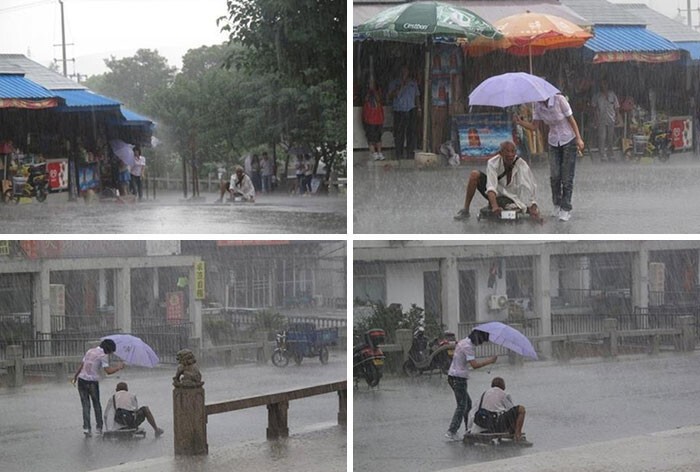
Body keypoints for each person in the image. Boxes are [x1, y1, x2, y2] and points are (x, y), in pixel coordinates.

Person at [514, 93, 584, 222]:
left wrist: (579, 139)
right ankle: (557, 204)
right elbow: (534, 126)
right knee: (555, 175)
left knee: (567, 177)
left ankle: (566, 208)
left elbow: (571, 120)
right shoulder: (538, 106)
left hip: (568, 139)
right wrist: (520, 122)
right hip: (553, 142)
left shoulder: (560, 100)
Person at [453, 141, 543, 223]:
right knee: (474, 175)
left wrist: (534, 205)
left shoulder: (521, 164)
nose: (510, 154)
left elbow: (532, 186)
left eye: (512, 151)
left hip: (511, 197)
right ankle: (465, 210)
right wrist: (494, 206)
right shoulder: (492, 163)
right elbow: (491, 187)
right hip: (495, 193)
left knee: (509, 205)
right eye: (507, 151)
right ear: (501, 153)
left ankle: (508, 206)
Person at [445, 329, 497, 441]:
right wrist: (490, 361)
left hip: (454, 376)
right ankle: (451, 431)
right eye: (481, 341)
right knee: (462, 405)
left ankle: (468, 429)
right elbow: (474, 365)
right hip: (458, 378)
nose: (480, 344)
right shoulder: (468, 346)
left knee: (467, 404)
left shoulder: (464, 342)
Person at [72, 339, 124, 436]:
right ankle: (99, 427)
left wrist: (75, 376)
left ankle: (86, 428)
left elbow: (82, 365)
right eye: (111, 351)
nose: (111, 353)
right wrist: (118, 367)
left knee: (85, 405)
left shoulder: (90, 351)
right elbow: (108, 371)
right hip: (92, 382)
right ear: (108, 349)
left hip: (81, 380)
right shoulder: (103, 355)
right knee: (96, 404)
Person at [468, 377, 530, 445]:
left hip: (484, 423)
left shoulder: (484, 394)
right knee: (521, 409)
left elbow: (472, 412)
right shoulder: (504, 394)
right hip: (496, 423)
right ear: (503, 386)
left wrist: (469, 429)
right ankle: (517, 436)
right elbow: (511, 411)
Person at [387, 64, 420, 160]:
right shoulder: (394, 83)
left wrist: (419, 108)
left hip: (411, 109)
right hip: (399, 110)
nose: (404, 74)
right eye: (402, 72)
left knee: (411, 132)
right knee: (399, 133)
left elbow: (417, 96)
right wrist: (401, 85)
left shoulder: (413, 83)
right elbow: (391, 95)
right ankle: (399, 153)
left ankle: (410, 152)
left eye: (406, 72)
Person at [592, 79, 620, 162]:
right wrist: (595, 119)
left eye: (605, 84)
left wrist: (618, 117)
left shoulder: (612, 94)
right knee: (602, 137)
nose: (604, 86)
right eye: (602, 84)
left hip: (611, 118)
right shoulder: (597, 96)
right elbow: (594, 108)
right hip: (601, 119)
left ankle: (610, 153)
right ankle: (602, 155)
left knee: (610, 137)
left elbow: (616, 106)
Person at [362, 77, 385, 161]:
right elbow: (365, 100)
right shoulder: (365, 92)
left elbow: (379, 99)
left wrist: (375, 92)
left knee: (378, 137)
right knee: (371, 137)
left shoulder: (378, 92)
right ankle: (373, 153)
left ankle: (379, 152)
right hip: (369, 118)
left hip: (378, 118)